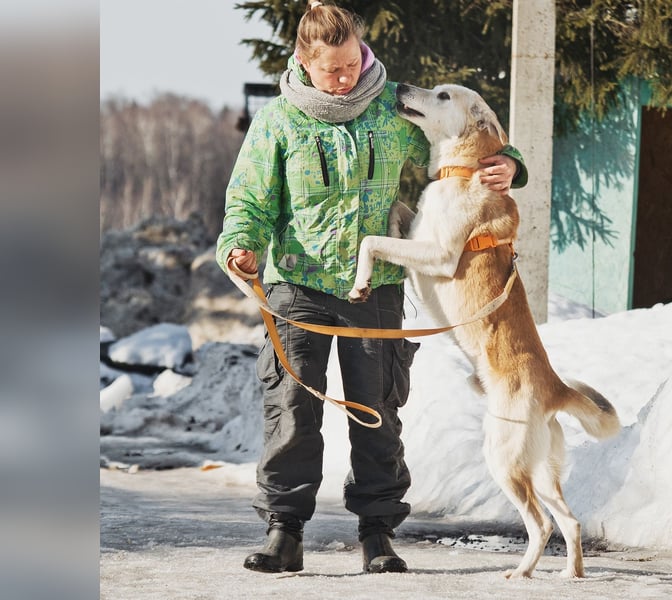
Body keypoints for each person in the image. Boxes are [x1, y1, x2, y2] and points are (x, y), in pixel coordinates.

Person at [216, 0, 528, 575]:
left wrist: (506, 163)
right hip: (297, 282)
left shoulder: (391, 109)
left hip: (375, 284)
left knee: (376, 410)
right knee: (292, 409)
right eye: (331, 70)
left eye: (352, 64)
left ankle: (378, 533)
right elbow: (249, 201)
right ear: (304, 63)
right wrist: (241, 244)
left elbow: (466, 135)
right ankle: (285, 532)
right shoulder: (279, 121)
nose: (345, 78)